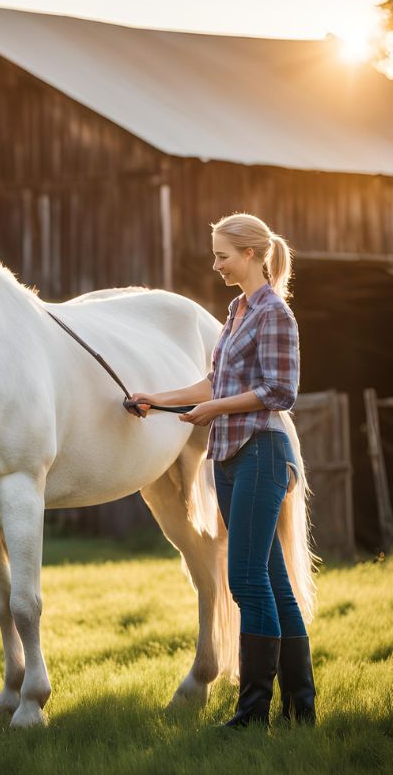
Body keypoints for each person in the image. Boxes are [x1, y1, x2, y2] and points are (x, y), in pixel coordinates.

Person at [126, 213, 316, 729]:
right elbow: (213, 381)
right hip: (229, 458)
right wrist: (156, 398)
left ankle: (253, 711)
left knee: (248, 580)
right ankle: (301, 708)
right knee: (273, 580)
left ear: (252, 254)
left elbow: (281, 391)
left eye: (223, 256)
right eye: (214, 255)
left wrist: (213, 412)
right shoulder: (235, 310)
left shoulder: (275, 314)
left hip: (262, 452)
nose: (216, 265)